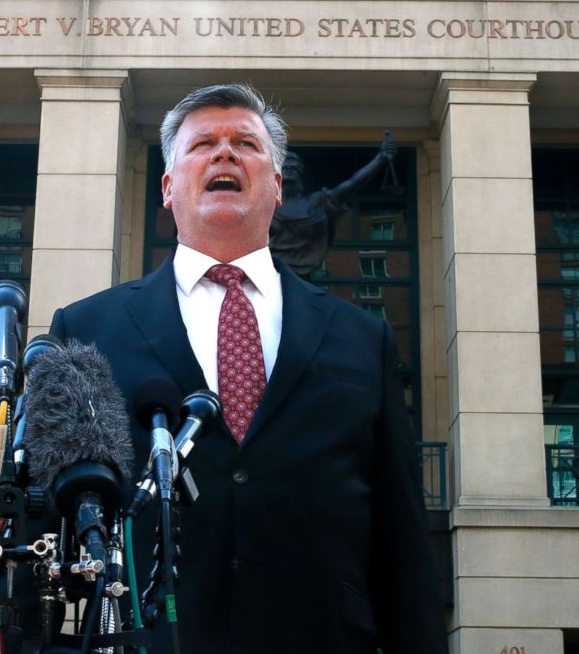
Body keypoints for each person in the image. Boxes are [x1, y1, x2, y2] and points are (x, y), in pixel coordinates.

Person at [48, 83, 446, 653]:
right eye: (202, 144)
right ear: (168, 186)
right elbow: (50, 527)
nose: (225, 153)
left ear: (278, 186)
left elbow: (403, 537)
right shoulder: (86, 330)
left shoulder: (364, 338)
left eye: (245, 143)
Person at [270, 136, 397, 277]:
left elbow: (353, 183)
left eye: (293, 167)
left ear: (300, 172)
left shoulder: (316, 202)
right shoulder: (265, 207)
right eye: (285, 167)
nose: (289, 169)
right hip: (272, 273)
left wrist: (380, 159)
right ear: (277, 173)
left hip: (304, 271)